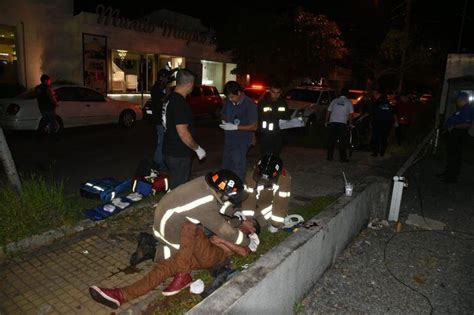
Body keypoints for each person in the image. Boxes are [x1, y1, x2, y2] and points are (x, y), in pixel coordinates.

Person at [89, 219, 259, 309]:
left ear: (252, 229)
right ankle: (121, 295)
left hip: (215, 255)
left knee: (189, 226)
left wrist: (223, 240)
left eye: (249, 221)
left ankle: (183, 275)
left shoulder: (250, 238)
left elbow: (245, 252)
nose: (245, 220)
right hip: (198, 254)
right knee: (165, 267)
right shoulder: (231, 224)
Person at [147, 169, 259, 263]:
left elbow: (218, 203)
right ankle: (153, 250)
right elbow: (226, 231)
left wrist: (234, 212)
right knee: (188, 254)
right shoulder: (205, 204)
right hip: (167, 227)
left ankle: (158, 242)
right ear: (223, 193)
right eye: (228, 197)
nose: (229, 199)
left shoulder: (206, 184)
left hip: (165, 213)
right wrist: (248, 242)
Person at [162, 69, 206, 189]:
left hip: (169, 149)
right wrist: (197, 148)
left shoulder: (169, 98)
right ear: (189, 84)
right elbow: (182, 132)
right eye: (193, 83)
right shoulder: (179, 102)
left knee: (174, 183)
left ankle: (169, 204)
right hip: (178, 153)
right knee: (180, 189)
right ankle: (174, 207)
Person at [239, 154, 292, 233]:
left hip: (272, 202)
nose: (263, 182)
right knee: (248, 219)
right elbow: (248, 199)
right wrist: (248, 219)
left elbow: (281, 202)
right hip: (259, 202)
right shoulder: (251, 176)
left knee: (270, 219)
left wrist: (275, 224)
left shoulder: (284, 179)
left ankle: (277, 219)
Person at [220, 81, 258, 181]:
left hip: (241, 142)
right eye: (228, 97)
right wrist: (224, 120)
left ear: (239, 93)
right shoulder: (229, 102)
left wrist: (236, 127)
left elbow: (254, 126)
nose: (230, 99)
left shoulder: (250, 105)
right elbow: (223, 113)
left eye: (232, 97)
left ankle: (238, 190)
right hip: (229, 140)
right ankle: (224, 190)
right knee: (225, 167)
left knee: (238, 168)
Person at [437, 92, 473, 183]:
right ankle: (448, 173)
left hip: (459, 135)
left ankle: (451, 177)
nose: (457, 102)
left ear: (463, 100)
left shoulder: (467, 110)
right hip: (454, 134)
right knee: (451, 155)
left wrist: (453, 127)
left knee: (455, 156)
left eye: (458, 100)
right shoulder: (461, 109)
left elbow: (467, 124)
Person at [257, 82, 290, 156]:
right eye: (273, 92)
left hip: (278, 134)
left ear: (280, 92)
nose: (275, 94)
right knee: (265, 154)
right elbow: (257, 117)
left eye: (278, 93)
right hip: (265, 134)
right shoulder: (263, 103)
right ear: (269, 91)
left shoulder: (283, 103)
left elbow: (287, 117)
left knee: (276, 155)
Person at [150, 69, 173, 171]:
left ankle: (162, 164)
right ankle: (156, 164)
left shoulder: (163, 88)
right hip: (159, 120)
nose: (167, 80)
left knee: (165, 142)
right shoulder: (156, 89)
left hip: (164, 120)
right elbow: (163, 102)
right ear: (161, 78)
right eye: (166, 78)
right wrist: (167, 93)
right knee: (161, 142)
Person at [325, 87, 354, 162]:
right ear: (347, 94)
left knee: (331, 141)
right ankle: (343, 159)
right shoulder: (349, 102)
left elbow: (328, 112)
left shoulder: (334, 101)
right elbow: (351, 115)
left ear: (341, 93)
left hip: (333, 123)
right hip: (342, 124)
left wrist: (326, 121)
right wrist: (350, 124)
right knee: (342, 142)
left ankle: (329, 157)